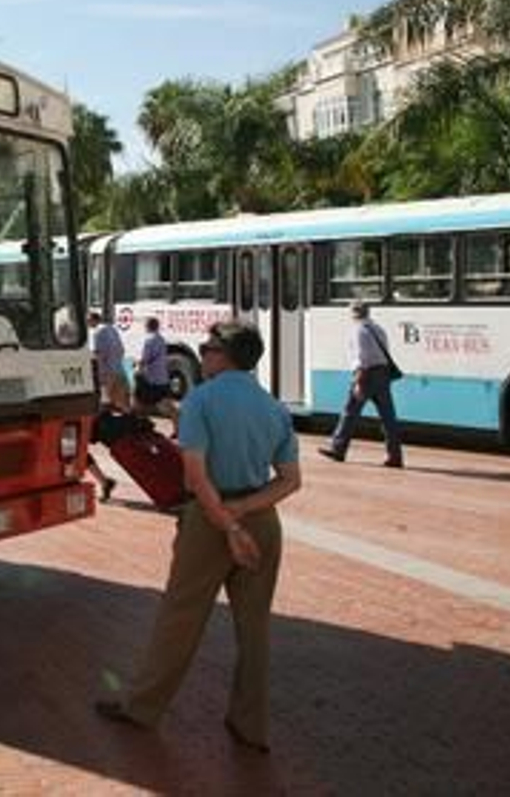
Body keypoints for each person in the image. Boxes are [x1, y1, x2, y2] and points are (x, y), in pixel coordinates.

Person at [95, 320, 302, 754]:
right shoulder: (275, 408)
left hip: (209, 520)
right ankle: (251, 725)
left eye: (207, 348)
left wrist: (227, 523)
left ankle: (143, 706)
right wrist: (246, 514)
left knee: (181, 615)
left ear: (223, 355)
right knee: (255, 626)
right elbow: (289, 481)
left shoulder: (200, 402)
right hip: (262, 520)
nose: (202, 354)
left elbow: (195, 473)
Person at [318, 301, 405, 468]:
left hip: (367, 375)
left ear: (354, 313)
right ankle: (395, 456)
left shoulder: (358, 330)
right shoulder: (378, 329)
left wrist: (358, 382)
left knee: (350, 412)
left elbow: (361, 358)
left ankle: (338, 449)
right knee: (388, 417)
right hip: (383, 373)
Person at [132, 316, 176, 419]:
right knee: (167, 405)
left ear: (147, 326)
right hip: (163, 378)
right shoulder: (161, 339)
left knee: (138, 391)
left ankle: (140, 415)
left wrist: (136, 364)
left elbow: (145, 359)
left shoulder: (149, 340)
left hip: (152, 379)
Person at [88, 309, 129, 410]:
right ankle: (128, 421)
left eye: (88, 320)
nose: (87, 323)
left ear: (93, 320)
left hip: (107, 372)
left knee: (105, 400)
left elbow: (99, 353)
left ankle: (105, 422)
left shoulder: (97, 332)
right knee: (122, 401)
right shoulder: (113, 329)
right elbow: (122, 350)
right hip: (119, 369)